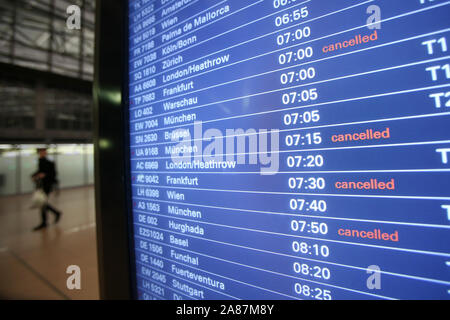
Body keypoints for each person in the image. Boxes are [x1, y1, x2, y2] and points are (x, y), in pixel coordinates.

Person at [31, 148, 62, 231]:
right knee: (42, 204)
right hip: (41, 185)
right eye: (40, 152)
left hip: (46, 185)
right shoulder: (40, 161)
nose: (42, 153)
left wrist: (44, 175)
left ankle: (49, 218)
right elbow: (40, 171)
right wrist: (34, 175)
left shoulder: (49, 162)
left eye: (43, 151)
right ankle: (53, 215)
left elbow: (52, 174)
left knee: (42, 203)